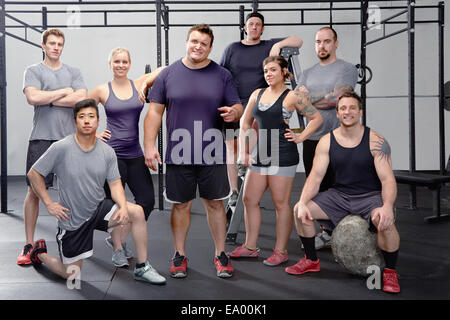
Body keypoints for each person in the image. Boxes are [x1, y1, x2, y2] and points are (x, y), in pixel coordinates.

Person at [27, 99, 166, 285]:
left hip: (99, 208)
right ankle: (39, 254)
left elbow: (115, 184)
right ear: (75, 121)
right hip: (73, 218)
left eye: (91, 116)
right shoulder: (61, 147)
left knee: (137, 211)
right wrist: (49, 203)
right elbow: (34, 173)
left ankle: (142, 267)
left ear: (98, 122)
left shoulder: (107, 151)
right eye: (81, 117)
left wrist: (123, 207)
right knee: (71, 275)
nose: (86, 121)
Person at [143, 24, 243, 279]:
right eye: (194, 41)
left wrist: (234, 112)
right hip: (179, 152)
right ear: (187, 42)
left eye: (204, 43)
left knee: (215, 204)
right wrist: (149, 145)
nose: (198, 46)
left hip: (212, 151)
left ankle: (221, 254)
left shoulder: (222, 75)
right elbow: (154, 112)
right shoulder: (168, 74)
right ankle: (179, 254)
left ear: (210, 48)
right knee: (181, 205)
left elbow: (237, 107)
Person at [285, 91, 400, 294]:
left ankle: (390, 271)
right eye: (343, 108)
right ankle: (311, 260)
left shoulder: (377, 141)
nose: (348, 112)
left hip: (369, 197)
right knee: (299, 210)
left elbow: (387, 179)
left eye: (352, 108)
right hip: (338, 196)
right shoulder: (327, 141)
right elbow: (316, 177)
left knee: (385, 224)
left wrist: (387, 207)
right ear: (337, 114)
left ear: (360, 112)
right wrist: (303, 202)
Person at [228, 56, 322, 266]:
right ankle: (251, 247)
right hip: (260, 154)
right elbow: (244, 124)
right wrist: (244, 151)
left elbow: (316, 118)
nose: (269, 74)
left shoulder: (293, 96)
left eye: (273, 70)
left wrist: (300, 137)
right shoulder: (257, 94)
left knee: (281, 204)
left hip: (283, 155)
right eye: (266, 71)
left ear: (284, 72)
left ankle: (281, 251)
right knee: (249, 199)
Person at [88, 47, 164, 268]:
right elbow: (80, 109)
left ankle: (115, 237)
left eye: (124, 62)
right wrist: (94, 133)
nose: (120, 65)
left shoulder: (138, 84)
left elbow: (164, 69)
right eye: (116, 62)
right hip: (112, 157)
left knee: (147, 201)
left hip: (135, 154)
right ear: (110, 64)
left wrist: (147, 85)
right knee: (115, 205)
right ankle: (119, 249)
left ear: (130, 64)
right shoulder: (102, 90)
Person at [18, 28, 87, 265]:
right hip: (41, 138)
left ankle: (72, 242)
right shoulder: (33, 71)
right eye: (52, 43)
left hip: (69, 140)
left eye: (60, 44)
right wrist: (63, 93)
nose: (56, 47)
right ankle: (28, 245)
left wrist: (47, 97)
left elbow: (81, 99)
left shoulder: (74, 71)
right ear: (43, 45)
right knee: (34, 191)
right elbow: (32, 99)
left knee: (72, 193)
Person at [220, 12, 303, 207]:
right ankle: (233, 190)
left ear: (262, 28)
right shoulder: (232, 48)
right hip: (235, 105)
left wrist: (278, 45)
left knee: (254, 135)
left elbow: (298, 40)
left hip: (260, 103)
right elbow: (221, 74)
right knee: (231, 147)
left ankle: (246, 165)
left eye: (258, 24)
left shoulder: (268, 45)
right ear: (245, 28)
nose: (254, 27)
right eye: (251, 24)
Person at [296, 26, 358, 250]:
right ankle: (326, 232)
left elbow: (338, 99)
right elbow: (299, 104)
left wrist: (310, 99)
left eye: (327, 42)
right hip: (313, 137)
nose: (322, 46)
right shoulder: (307, 72)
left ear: (336, 43)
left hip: (338, 138)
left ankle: (344, 232)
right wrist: (321, 97)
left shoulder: (347, 69)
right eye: (318, 42)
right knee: (317, 187)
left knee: (339, 187)